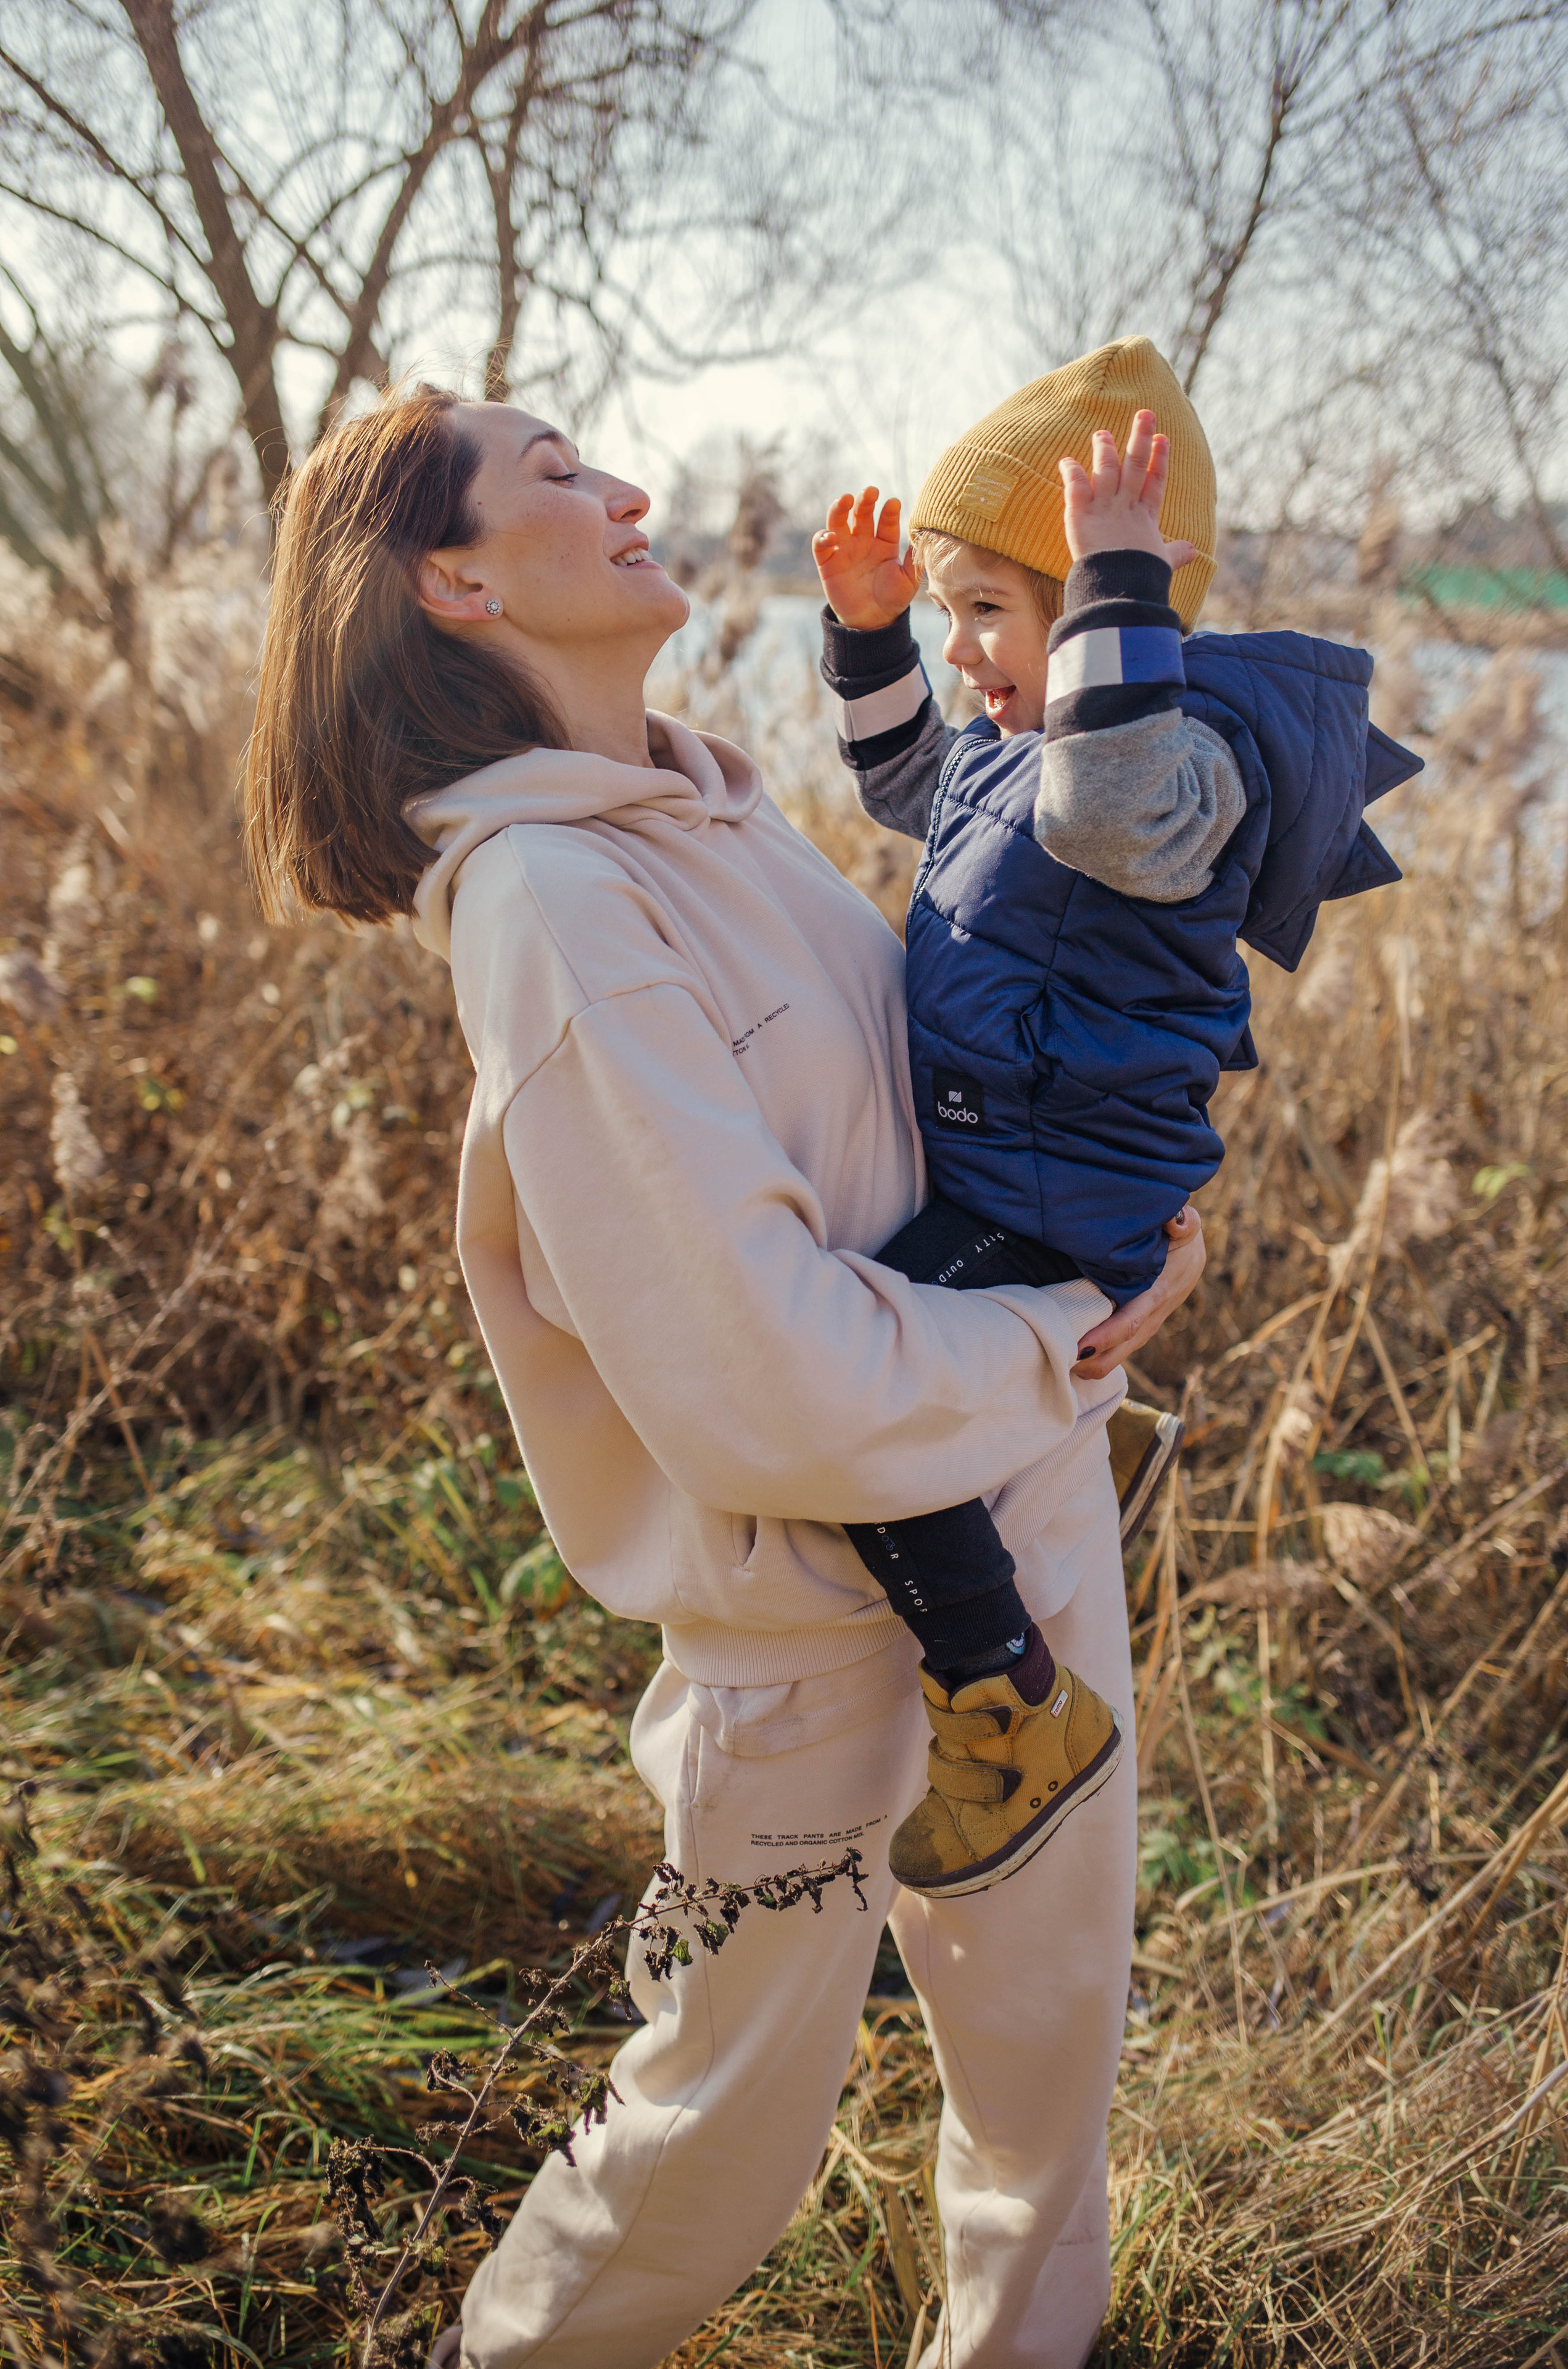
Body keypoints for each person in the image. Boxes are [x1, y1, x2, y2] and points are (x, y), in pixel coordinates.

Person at [243, 382, 1206, 2369]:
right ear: (455, 578)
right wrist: (1049, 1336)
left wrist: (1135, 1223)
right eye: (559, 476)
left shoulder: (717, 818)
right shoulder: (557, 910)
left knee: (1046, 2102)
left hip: (1021, 1533)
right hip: (811, 1646)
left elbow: (941, 1119)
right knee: (710, 2151)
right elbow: (762, 1378)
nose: (628, 491)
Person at [814, 337, 1421, 1900]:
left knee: (847, 1402)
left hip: (1054, 1187)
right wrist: (868, 633)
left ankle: (1004, 1701)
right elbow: (907, 792)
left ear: (1108, 603)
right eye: (950, 618)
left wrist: (1114, 593)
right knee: (858, 1384)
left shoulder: (1182, 761)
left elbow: (1104, 807)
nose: (963, 653)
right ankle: (1025, 1563)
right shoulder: (1021, 748)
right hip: (1008, 1158)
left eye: (986, 611)